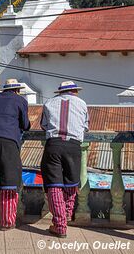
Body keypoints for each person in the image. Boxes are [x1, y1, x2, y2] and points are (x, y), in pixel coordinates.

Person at [0, 78, 30, 234]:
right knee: (9, 182)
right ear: (17, 90)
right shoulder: (20, 100)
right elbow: (25, 124)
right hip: (8, 141)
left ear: (4, 89)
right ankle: (7, 222)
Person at [40, 80, 89, 238]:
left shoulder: (49, 103)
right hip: (73, 146)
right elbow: (86, 126)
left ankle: (60, 225)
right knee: (71, 182)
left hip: (53, 145)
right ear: (74, 91)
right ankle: (66, 215)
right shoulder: (82, 104)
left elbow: (44, 125)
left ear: (60, 92)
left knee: (54, 184)